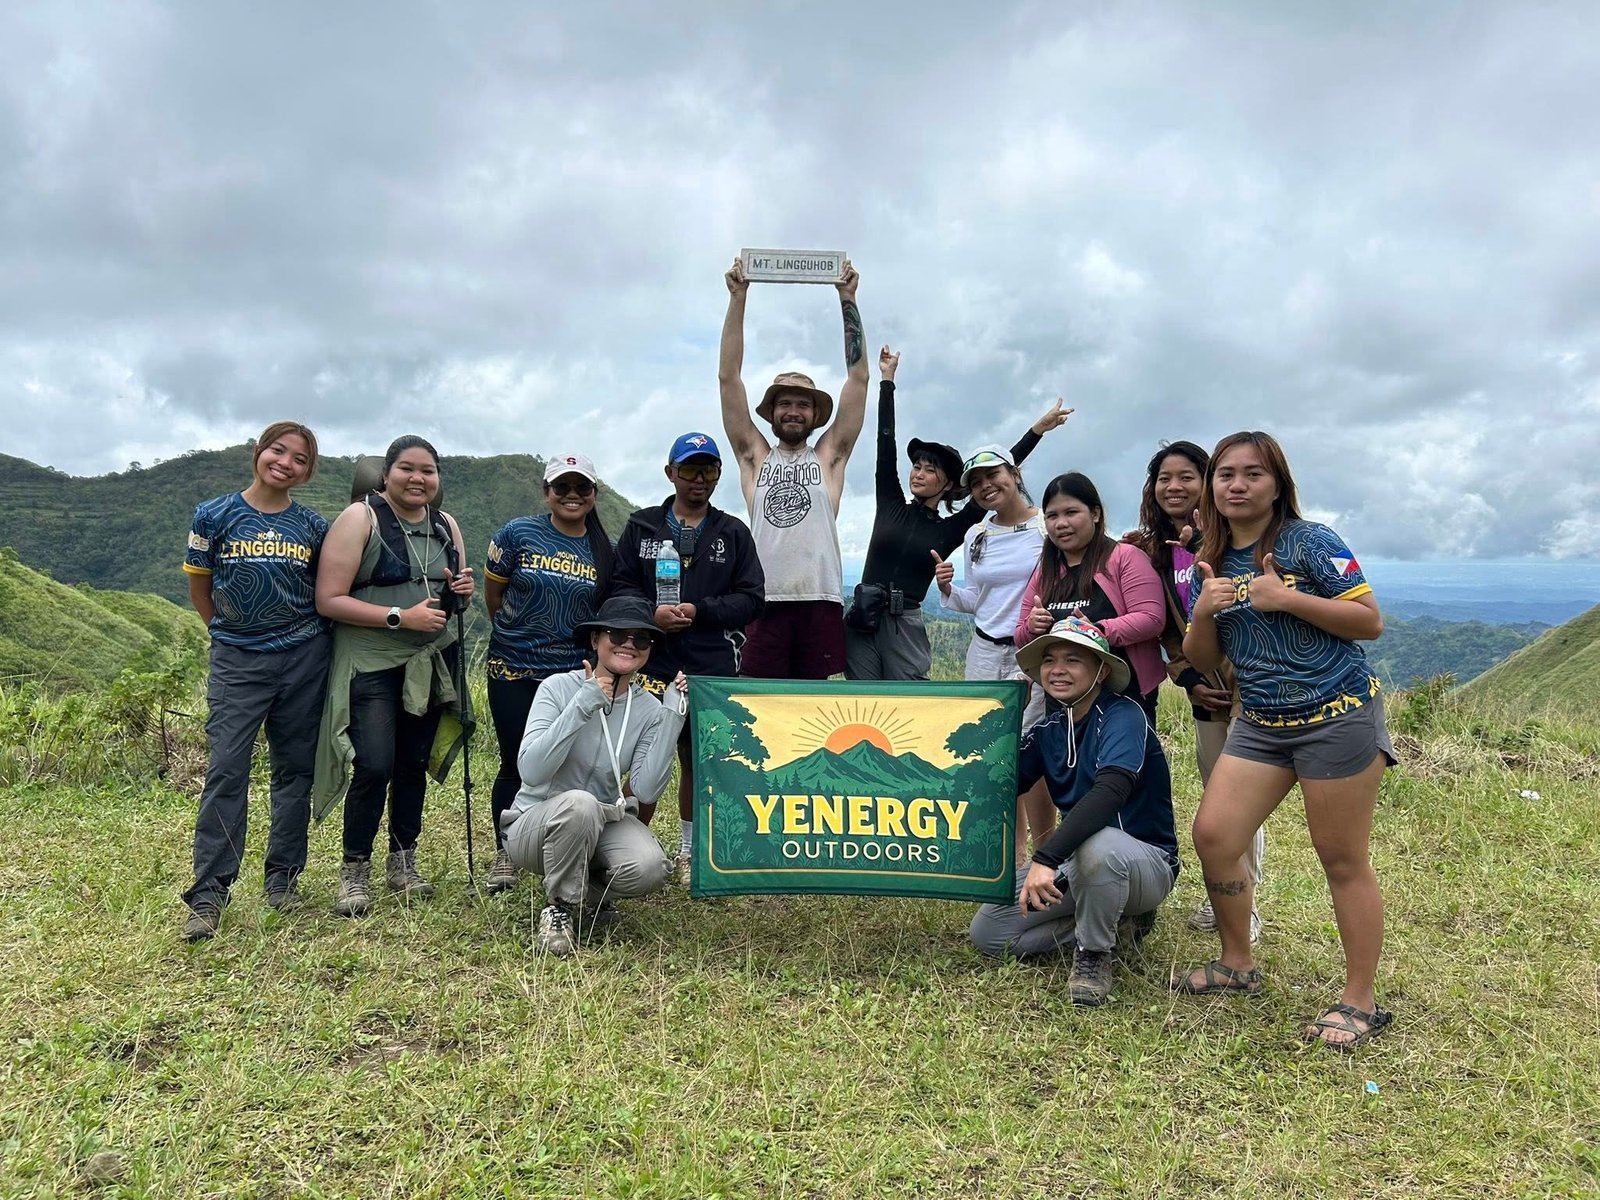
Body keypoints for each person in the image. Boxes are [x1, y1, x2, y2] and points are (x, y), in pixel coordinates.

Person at [1173, 431, 1396, 1049]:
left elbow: (1369, 621)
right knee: (1215, 835)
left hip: (1338, 715)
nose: (1237, 486)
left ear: (1277, 484)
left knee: (1341, 857)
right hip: (1261, 722)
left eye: (1253, 474)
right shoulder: (1207, 559)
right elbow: (1202, 656)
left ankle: (1360, 1002)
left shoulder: (1311, 541)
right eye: (1226, 475)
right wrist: (1201, 613)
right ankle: (1237, 962)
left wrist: (1287, 598)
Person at [969, 616, 1179, 1007]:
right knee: (991, 933)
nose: (1058, 669)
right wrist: (1003, 719)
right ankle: (1119, 926)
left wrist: (1046, 857)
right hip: (1079, 865)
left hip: (1145, 863)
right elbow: (998, 783)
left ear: (1100, 671)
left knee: (1099, 846)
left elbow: (1111, 792)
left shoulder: (1124, 715)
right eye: (1049, 660)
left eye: (1073, 660)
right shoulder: (1049, 729)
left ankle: (1094, 953)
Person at [312, 435, 475, 917]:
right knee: (375, 763)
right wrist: (399, 618)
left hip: (426, 661)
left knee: (412, 762)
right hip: (370, 662)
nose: (417, 478)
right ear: (386, 474)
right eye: (407, 468)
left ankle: (403, 862)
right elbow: (329, 599)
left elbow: (451, 598)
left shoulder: (446, 526)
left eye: (427, 470)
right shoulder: (359, 518)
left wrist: (460, 590)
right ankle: (354, 870)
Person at [179, 421, 330, 940]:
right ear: (258, 451)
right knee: (226, 770)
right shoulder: (214, 514)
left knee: (295, 770)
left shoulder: (312, 527)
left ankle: (282, 878)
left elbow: (326, 589)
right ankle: (209, 893)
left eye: (299, 459)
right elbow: (201, 587)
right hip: (238, 662)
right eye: (277, 450)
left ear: (308, 472)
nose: (285, 463)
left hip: (305, 658)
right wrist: (228, 636)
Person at [846, 345, 1071, 680]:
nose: (918, 473)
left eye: (929, 469)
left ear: (949, 483)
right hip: (863, 617)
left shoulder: (953, 529)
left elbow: (1000, 473)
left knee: (909, 703)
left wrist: (1035, 432)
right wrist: (887, 381)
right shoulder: (890, 503)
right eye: (916, 466)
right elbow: (885, 443)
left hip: (904, 623)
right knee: (860, 702)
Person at [609, 432, 764, 878]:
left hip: (713, 667)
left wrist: (700, 611)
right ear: (670, 472)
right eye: (690, 469)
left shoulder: (733, 532)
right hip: (650, 664)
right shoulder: (642, 526)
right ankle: (625, 847)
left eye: (709, 469)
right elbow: (620, 585)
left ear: (719, 475)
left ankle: (691, 852)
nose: (699, 478)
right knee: (643, 758)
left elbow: (753, 599)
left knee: (700, 762)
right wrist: (650, 615)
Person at [1124, 440, 1263, 943]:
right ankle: (1228, 894)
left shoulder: (1230, 536)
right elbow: (1165, 627)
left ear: (1206, 482)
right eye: (1165, 478)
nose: (1174, 487)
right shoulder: (1152, 550)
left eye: (1187, 476)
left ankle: (1243, 906)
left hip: (1252, 679)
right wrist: (1189, 680)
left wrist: (1203, 536)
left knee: (1240, 794)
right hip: (1205, 686)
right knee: (1215, 787)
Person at [504, 596, 687, 956]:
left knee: (651, 867)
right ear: (595, 640)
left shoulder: (647, 707)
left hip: (601, 820)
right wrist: (583, 704)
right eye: (616, 634)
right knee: (579, 804)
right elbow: (531, 770)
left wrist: (672, 716)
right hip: (534, 824)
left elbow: (647, 788)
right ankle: (560, 908)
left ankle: (587, 893)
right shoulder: (557, 688)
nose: (628, 644)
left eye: (641, 639)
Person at [718, 256, 868, 679]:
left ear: (815, 414)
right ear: (772, 413)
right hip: (763, 598)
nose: (794, 410)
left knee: (810, 707)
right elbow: (729, 379)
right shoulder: (754, 456)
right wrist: (738, 298)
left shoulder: (829, 456)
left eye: (803, 403)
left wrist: (848, 299)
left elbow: (858, 380)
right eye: (785, 402)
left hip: (820, 599)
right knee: (759, 707)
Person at [480, 452, 615, 895]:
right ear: (547, 492)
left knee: (564, 767)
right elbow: (494, 596)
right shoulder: (518, 533)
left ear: (594, 495)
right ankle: (507, 850)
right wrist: (519, 637)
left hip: (569, 675)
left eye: (582, 488)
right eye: (562, 487)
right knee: (515, 762)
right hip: (513, 668)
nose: (572, 496)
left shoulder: (602, 551)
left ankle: (562, 845)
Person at [934, 444, 1050, 857]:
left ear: (1015, 474)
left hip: (1032, 653)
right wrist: (948, 589)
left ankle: (1046, 849)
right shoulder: (977, 534)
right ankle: (1013, 851)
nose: (985, 486)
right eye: (976, 483)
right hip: (983, 651)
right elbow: (978, 601)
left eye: (992, 475)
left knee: (1026, 748)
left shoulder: (1045, 527)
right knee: (990, 749)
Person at [1015, 472, 1166, 723]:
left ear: (1095, 514)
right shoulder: (1046, 572)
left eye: (1071, 512)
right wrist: (1032, 627)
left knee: (1119, 760)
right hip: (1062, 700)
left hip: (1125, 693)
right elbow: (1020, 635)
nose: (1060, 523)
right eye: (1052, 516)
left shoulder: (1124, 557)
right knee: (1065, 759)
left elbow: (1151, 618)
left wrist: (1095, 631)